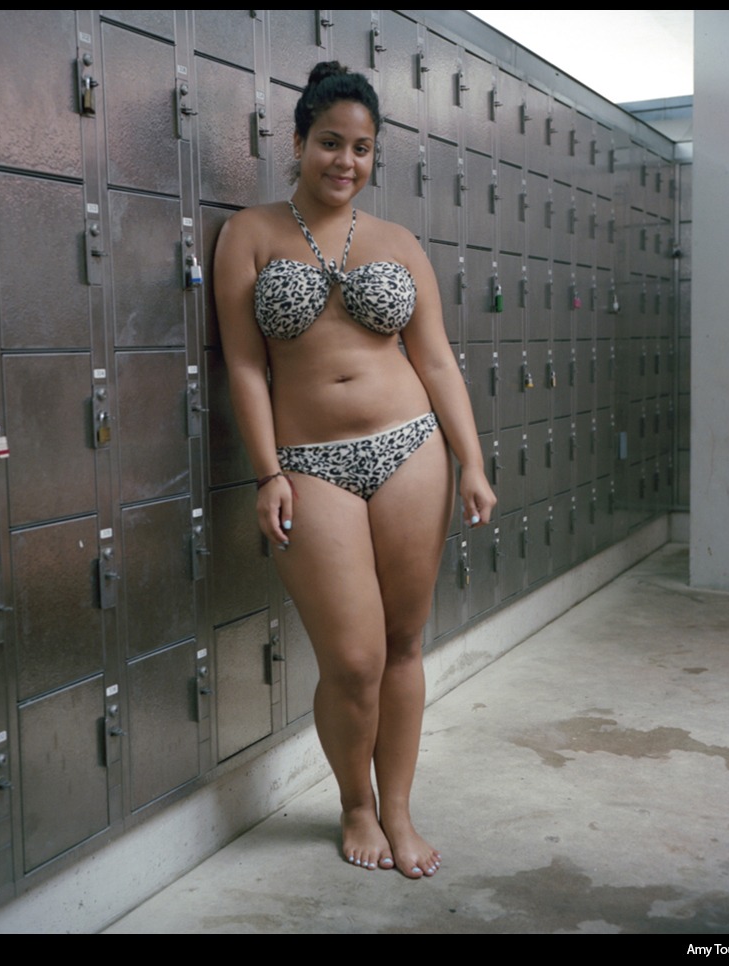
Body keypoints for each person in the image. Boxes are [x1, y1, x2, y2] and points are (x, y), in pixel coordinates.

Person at [213, 62, 496, 878]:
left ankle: (400, 810)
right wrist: (268, 473)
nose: (346, 160)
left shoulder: (399, 243)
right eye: (330, 142)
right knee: (353, 659)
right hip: (310, 464)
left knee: (405, 644)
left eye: (362, 148)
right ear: (297, 142)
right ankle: (354, 804)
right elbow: (242, 366)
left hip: (411, 447)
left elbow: (437, 361)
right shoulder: (251, 234)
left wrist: (471, 461)